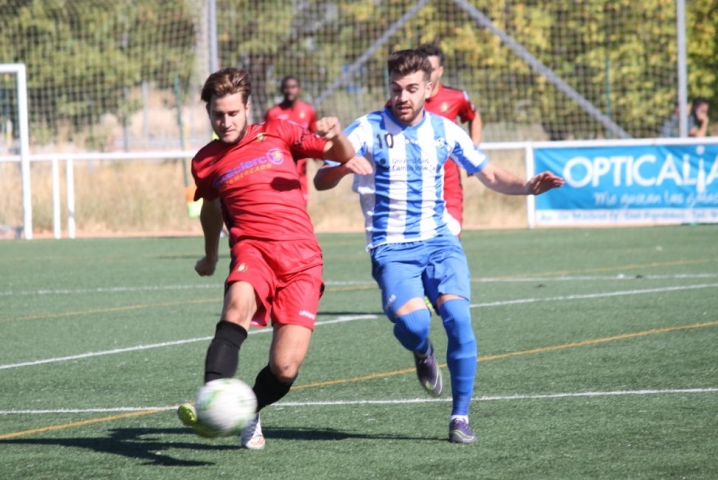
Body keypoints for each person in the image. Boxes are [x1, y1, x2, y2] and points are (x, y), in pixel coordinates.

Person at [313, 50, 564, 444]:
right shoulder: (367, 128)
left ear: (429, 88)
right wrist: (344, 165)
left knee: (460, 322)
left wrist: (528, 187)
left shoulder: (446, 130)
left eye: (412, 89)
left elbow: (491, 173)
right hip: (391, 248)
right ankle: (422, 350)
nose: (403, 97)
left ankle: (460, 417)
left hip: (440, 242)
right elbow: (320, 179)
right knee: (414, 325)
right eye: (396, 88)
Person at [177, 67, 355, 450]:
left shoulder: (279, 131)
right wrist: (210, 255)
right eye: (217, 115)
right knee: (236, 307)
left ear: (247, 107)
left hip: (302, 259)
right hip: (252, 250)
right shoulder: (205, 161)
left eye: (232, 114)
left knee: (285, 368)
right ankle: (211, 400)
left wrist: (336, 134)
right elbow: (210, 207)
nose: (225, 122)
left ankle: (248, 408)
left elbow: (342, 154)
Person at [416, 43, 482, 231]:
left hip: (448, 183)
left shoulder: (456, 97)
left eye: (432, 69)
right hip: (415, 183)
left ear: (441, 70)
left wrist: (472, 154)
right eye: (423, 69)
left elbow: (474, 117)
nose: (428, 74)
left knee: (451, 238)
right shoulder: (406, 102)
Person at [265, 76, 318, 204]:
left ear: (299, 89)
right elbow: (266, 140)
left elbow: (313, 134)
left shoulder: (308, 111)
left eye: (293, 87)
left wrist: (318, 155)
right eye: (286, 87)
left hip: (301, 167)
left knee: (302, 202)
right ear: (282, 90)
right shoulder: (273, 113)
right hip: (280, 164)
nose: (290, 90)